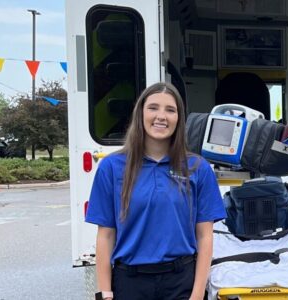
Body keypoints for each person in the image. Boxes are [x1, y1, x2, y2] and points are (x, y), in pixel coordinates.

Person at [85, 82, 226, 300]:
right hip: (129, 283)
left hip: (180, 283)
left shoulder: (198, 168)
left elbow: (205, 236)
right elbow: (106, 235)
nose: (161, 116)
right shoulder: (112, 167)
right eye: (153, 108)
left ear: (179, 119)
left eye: (170, 110)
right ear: (140, 113)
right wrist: (104, 292)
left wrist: (198, 294)